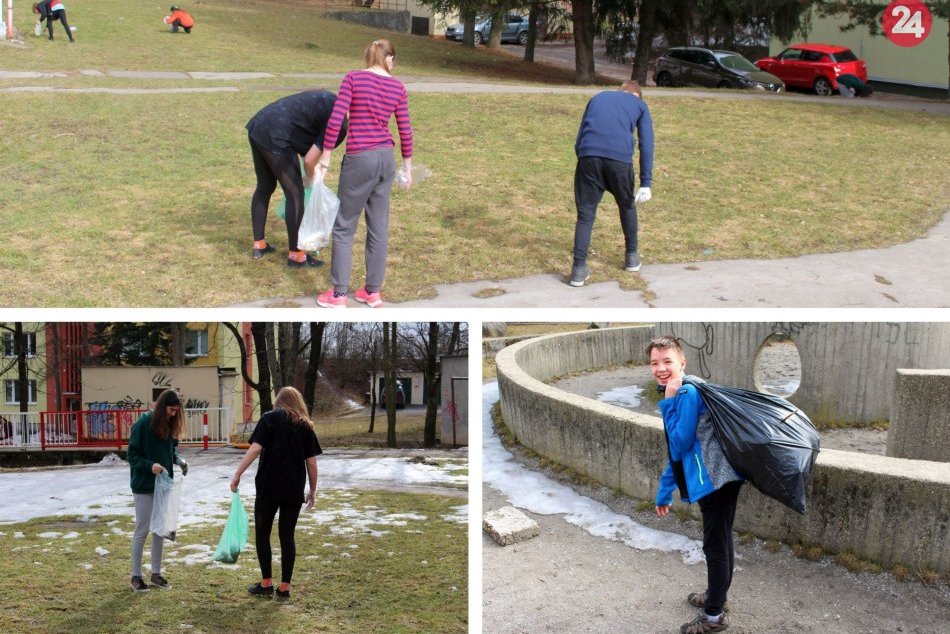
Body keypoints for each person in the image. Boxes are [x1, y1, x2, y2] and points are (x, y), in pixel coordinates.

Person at [649, 336, 743, 634]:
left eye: (667, 361)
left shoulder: (686, 392)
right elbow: (679, 456)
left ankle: (713, 615)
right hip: (722, 475)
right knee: (722, 539)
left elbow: (678, 444)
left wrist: (669, 403)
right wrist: (664, 493)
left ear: (682, 363)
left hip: (714, 480)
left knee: (715, 545)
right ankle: (718, 597)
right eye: (654, 362)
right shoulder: (690, 385)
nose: (661, 368)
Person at [315, 38, 413, 309]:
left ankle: (338, 295)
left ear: (369, 57)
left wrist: (326, 157)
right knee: (378, 226)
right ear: (389, 58)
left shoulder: (354, 79)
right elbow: (405, 128)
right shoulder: (398, 86)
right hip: (386, 159)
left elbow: (337, 118)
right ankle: (373, 291)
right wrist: (406, 167)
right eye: (394, 59)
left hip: (360, 158)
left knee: (345, 225)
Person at [229, 387, 321, 599]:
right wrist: (312, 490)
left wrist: (237, 474)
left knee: (263, 533)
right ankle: (285, 587)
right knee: (287, 536)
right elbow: (312, 462)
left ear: (279, 402)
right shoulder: (305, 425)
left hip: (268, 487)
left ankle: (266, 582)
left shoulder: (269, 418)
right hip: (293, 488)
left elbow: (254, 448)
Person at [246, 91, 347, 267]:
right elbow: (309, 160)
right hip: (277, 134)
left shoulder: (332, 101)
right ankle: (296, 255)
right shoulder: (339, 124)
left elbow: (307, 142)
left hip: (260, 124)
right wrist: (311, 178)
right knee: (295, 193)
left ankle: (259, 245)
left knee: (264, 186)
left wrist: (311, 168)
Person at [570, 80, 653, 287]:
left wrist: (585, 160)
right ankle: (632, 257)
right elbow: (647, 143)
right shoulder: (640, 105)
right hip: (619, 161)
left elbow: (579, 139)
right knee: (626, 206)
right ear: (637, 96)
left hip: (588, 156)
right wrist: (646, 182)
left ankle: (578, 270)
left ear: (621, 90)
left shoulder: (597, 98)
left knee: (586, 215)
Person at [126, 389, 189, 593]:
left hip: (163, 485)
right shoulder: (143, 425)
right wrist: (149, 466)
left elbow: (170, 450)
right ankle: (136, 576)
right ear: (162, 407)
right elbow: (132, 456)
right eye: (171, 410)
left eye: (176, 411)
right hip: (144, 485)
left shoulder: (169, 425)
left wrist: (178, 460)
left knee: (160, 530)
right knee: (142, 529)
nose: (173, 414)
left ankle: (156, 573)